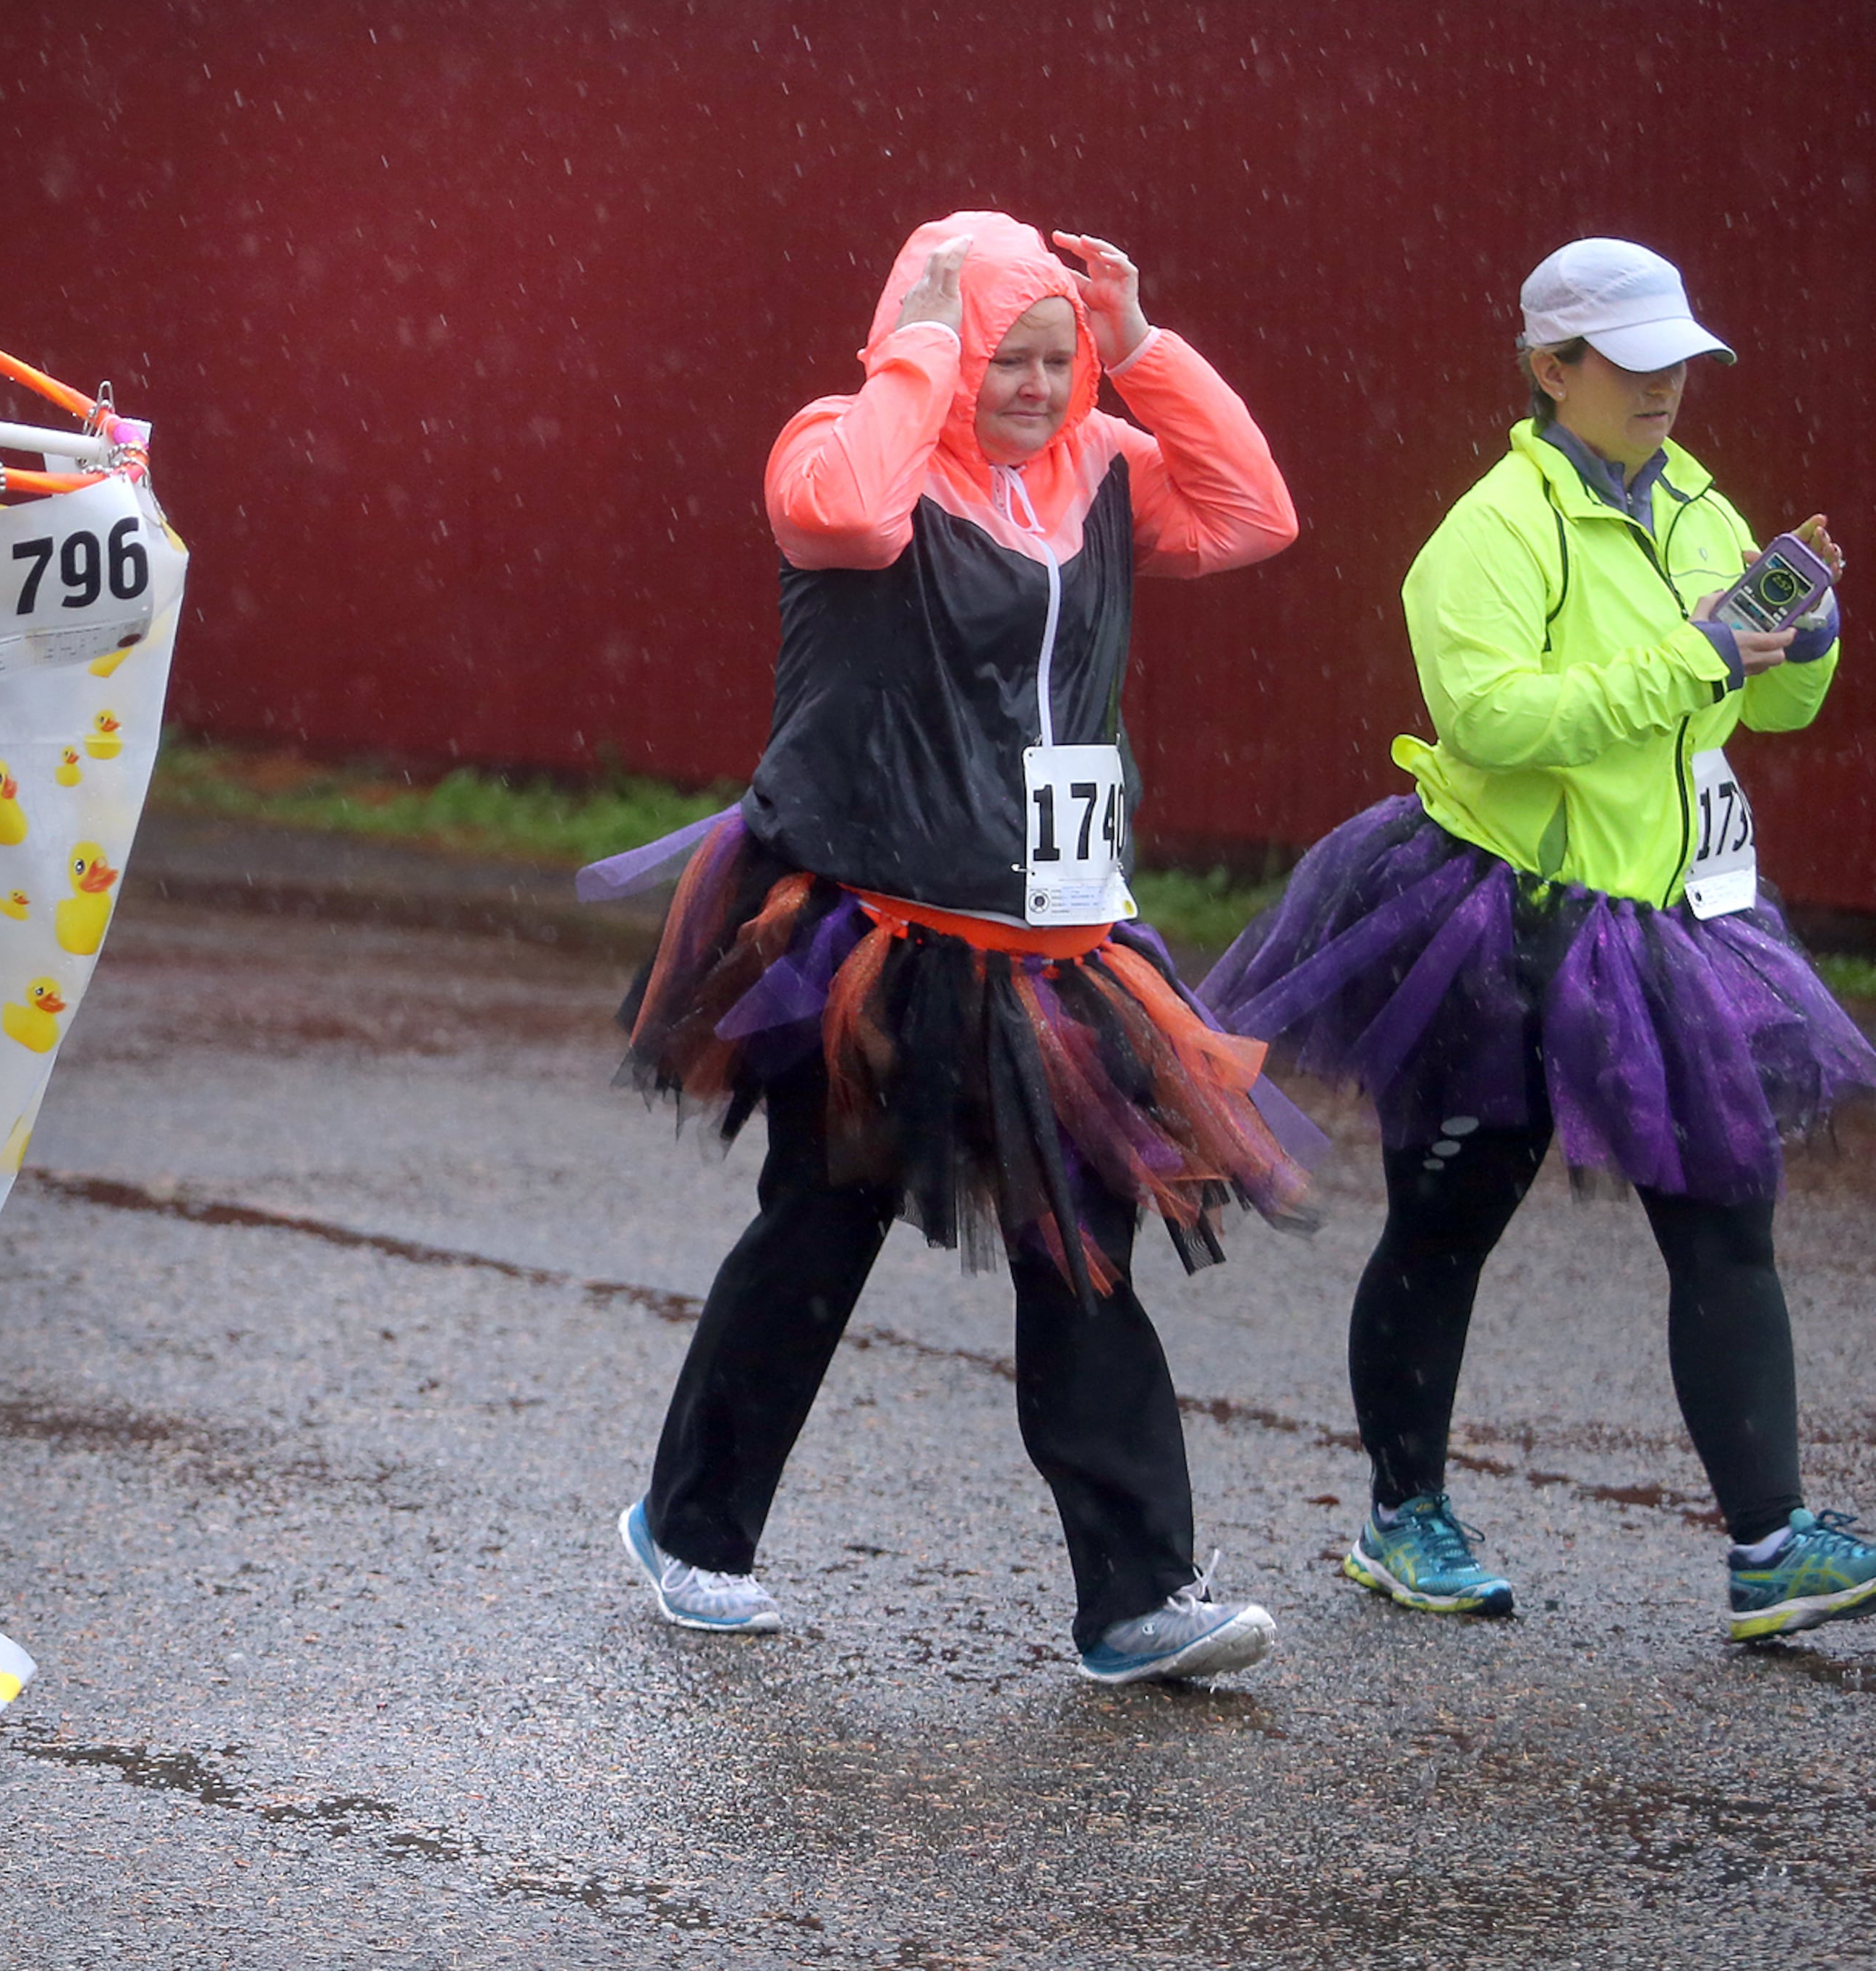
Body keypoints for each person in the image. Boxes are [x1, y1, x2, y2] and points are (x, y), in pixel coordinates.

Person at [608, 212, 1313, 1685]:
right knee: (819, 1229)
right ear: (937, 342)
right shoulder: (847, 440)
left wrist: (1145, 349)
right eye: (1015, 356)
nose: (1042, 387)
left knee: (1085, 1252)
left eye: (1061, 360)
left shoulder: (1105, 473)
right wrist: (921, 349)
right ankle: (693, 1530)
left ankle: (1136, 1599)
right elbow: (847, 517)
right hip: (882, 932)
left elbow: (1254, 516)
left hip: (1061, 939)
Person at [1203, 238, 1876, 1642]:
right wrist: (1691, 659)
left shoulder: (1699, 506)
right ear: (1551, 368)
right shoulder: (1491, 532)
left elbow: (1768, 711)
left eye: (1678, 358)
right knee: (1449, 1222)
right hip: (1492, 918)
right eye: (1631, 363)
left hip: (1668, 923)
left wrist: (1796, 642)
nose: (1665, 386)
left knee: (1726, 1217)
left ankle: (1769, 1545)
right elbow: (1494, 719)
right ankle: (1405, 1517)